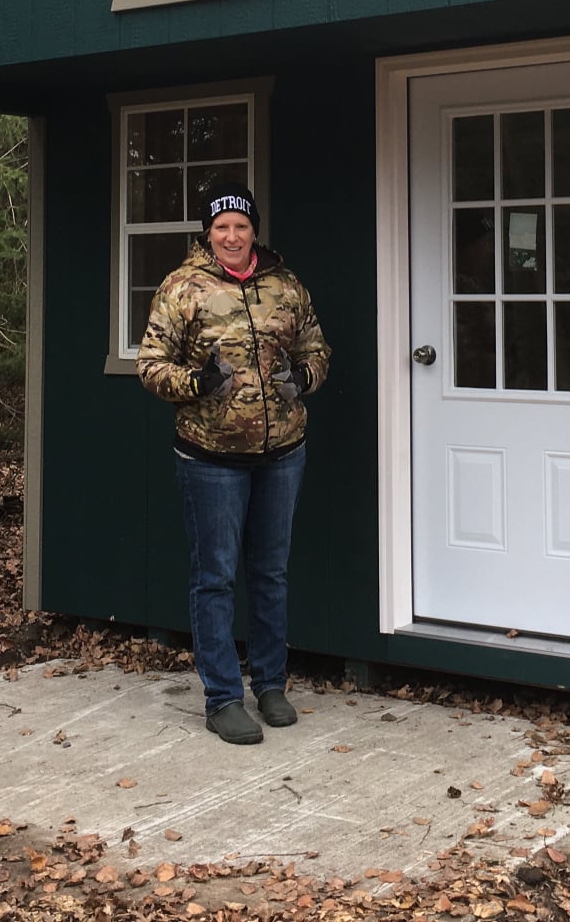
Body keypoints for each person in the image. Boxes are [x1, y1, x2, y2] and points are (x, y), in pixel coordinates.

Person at [137, 183, 331, 745]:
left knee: (270, 574)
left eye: (240, 226)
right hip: (211, 458)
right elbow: (150, 364)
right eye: (221, 226)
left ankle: (270, 684)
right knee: (216, 578)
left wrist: (303, 378)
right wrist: (197, 381)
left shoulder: (285, 286)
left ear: (253, 230)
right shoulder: (182, 288)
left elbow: (317, 349)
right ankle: (223, 697)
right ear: (208, 232)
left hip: (282, 454)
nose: (231, 235)